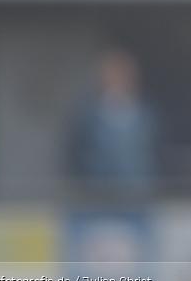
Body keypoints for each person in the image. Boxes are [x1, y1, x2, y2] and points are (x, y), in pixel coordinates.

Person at [67, 49, 157, 195]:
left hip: (138, 195)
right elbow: (74, 153)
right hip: (96, 196)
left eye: (123, 74)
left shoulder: (147, 114)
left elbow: (154, 151)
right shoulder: (86, 115)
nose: (118, 79)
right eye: (113, 73)